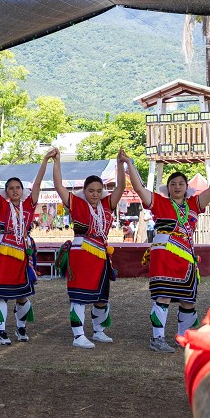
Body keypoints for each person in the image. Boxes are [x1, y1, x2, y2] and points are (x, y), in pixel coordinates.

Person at [127, 147, 210, 352]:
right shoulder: (160, 202)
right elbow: (139, 189)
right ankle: (157, 339)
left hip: (187, 259)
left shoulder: (194, 203)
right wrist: (129, 164)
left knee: (188, 300)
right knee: (163, 296)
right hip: (164, 256)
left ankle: (184, 338)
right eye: (173, 183)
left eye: (181, 183)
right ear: (168, 188)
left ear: (186, 187)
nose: (177, 186)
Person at [51, 148, 127, 347]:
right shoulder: (77, 204)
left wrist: (120, 164)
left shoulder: (106, 205)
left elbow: (121, 187)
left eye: (98, 191)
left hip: (101, 255)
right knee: (80, 297)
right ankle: (78, 336)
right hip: (82, 253)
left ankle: (98, 330)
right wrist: (57, 162)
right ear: (84, 191)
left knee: (102, 297)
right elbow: (59, 185)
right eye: (91, 190)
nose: (95, 194)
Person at [0, 146, 48, 345]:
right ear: (6, 192)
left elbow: (39, 183)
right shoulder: (2, 205)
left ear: (22, 191)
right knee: (1, 294)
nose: (15, 190)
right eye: (11, 188)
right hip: (5, 251)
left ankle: (21, 328)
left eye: (18, 188)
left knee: (23, 295)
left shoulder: (30, 205)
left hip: (23, 252)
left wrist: (45, 161)